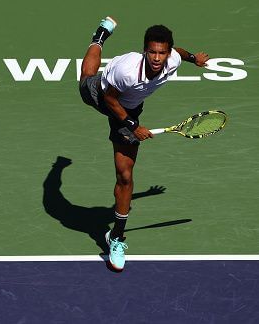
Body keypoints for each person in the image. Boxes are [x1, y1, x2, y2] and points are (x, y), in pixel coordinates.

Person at [78, 17, 209, 271]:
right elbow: (110, 100)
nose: (157, 58)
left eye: (162, 52)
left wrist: (194, 58)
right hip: (106, 96)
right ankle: (100, 37)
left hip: (131, 106)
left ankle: (116, 236)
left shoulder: (172, 59)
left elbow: (180, 53)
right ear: (144, 51)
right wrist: (133, 126)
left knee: (125, 176)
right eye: (152, 52)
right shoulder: (127, 71)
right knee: (86, 77)